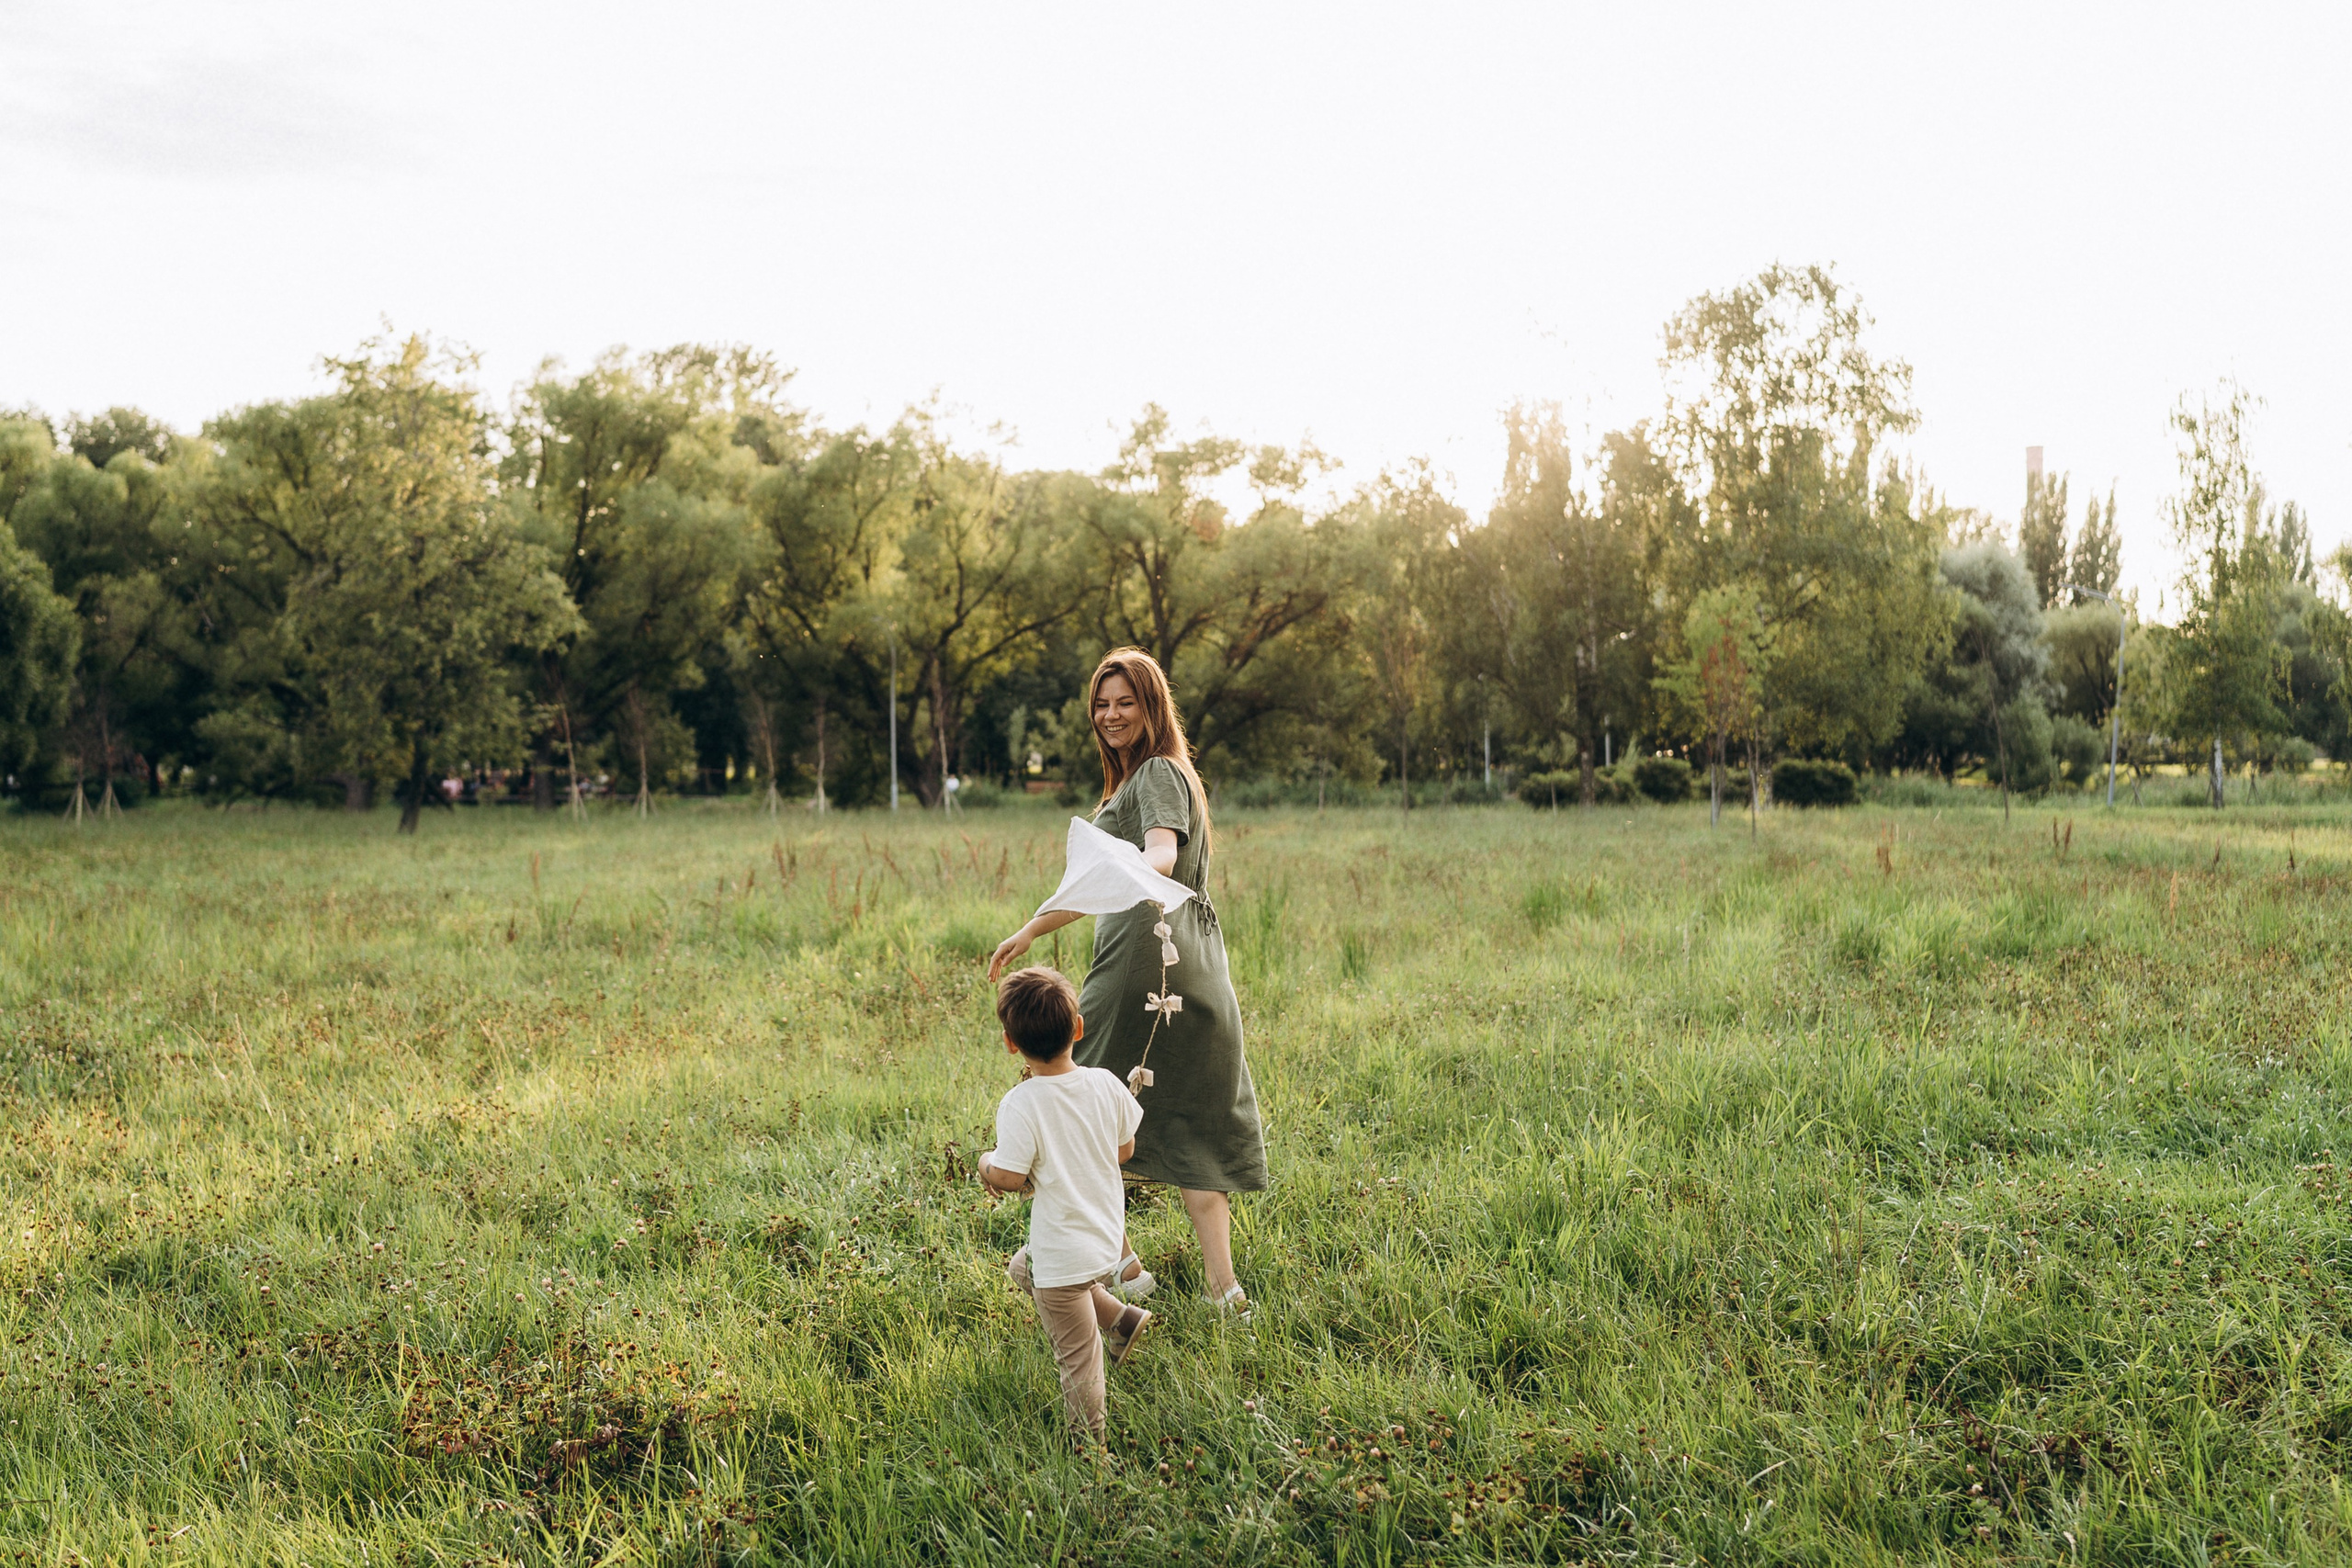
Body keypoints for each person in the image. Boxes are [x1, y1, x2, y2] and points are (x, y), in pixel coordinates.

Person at [988, 648, 1268, 1314]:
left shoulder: (1159, 773)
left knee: (1071, 1105)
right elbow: (1107, 885)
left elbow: (1161, 855)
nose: (1111, 715)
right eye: (1102, 704)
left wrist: (1152, 861)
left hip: (1146, 966)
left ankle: (1088, 1258)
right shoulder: (1147, 777)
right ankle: (1220, 1290)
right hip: (1191, 963)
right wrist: (1034, 928)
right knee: (1192, 1119)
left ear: (1152, 705)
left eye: (1126, 702)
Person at [977, 965, 1152, 1441]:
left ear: (1011, 1043)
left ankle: (1089, 1447)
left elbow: (1011, 1177)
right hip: (1105, 1242)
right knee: (1022, 1267)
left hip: (1065, 1257)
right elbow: (1124, 1150)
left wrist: (985, 1162)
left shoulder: (1022, 1103)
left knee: (1078, 1359)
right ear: (1078, 1027)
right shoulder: (1105, 1083)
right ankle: (1121, 1318)